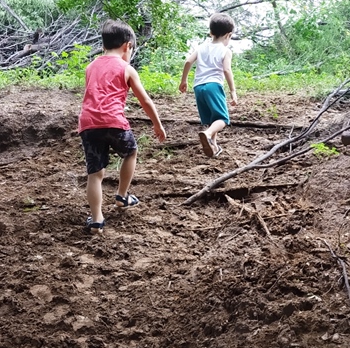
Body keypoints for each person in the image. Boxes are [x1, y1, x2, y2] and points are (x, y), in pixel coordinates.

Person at [78, 20, 166, 235]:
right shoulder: (126, 68)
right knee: (131, 152)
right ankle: (122, 196)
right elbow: (145, 100)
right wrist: (157, 124)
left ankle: (97, 220)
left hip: (88, 124)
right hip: (114, 122)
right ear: (127, 46)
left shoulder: (90, 67)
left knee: (95, 174)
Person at [178, 13, 238, 157]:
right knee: (222, 119)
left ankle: (214, 146)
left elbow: (188, 62)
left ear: (211, 32)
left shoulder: (201, 47)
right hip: (213, 86)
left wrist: (184, 80)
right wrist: (233, 92)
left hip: (198, 87)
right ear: (228, 35)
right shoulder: (225, 51)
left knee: (213, 118)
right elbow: (226, 70)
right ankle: (208, 133)